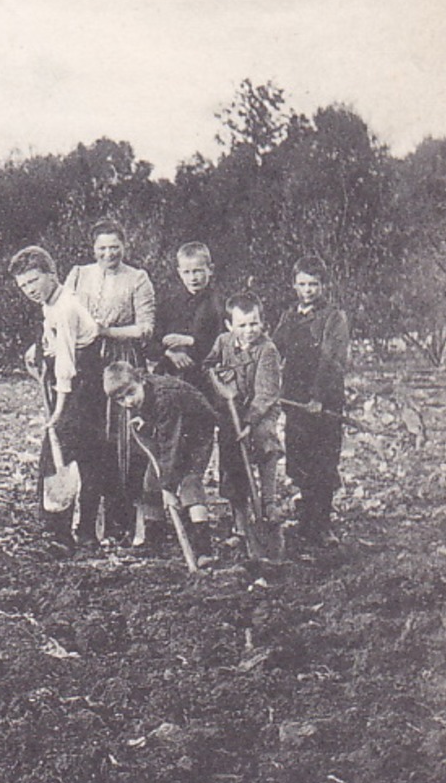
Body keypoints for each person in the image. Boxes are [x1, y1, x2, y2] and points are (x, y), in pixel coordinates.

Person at [64, 219, 155, 540]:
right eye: (102, 248)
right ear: (93, 249)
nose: (108, 254)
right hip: (87, 361)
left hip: (122, 361)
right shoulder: (78, 274)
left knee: (122, 440)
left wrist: (107, 331)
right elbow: (65, 315)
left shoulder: (137, 279)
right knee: (90, 436)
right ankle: (86, 520)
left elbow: (145, 328)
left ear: (124, 246)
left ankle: (123, 520)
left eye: (114, 247)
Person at [11, 245, 106, 553]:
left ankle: (62, 533)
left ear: (51, 275)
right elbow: (52, 339)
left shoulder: (65, 307)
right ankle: (77, 531)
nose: (29, 290)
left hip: (82, 384)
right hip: (70, 381)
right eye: (24, 285)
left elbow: (67, 366)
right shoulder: (51, 302)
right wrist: (38, 349)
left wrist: (58, 412)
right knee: (76, 455)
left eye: (34, 281)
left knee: (61, 455)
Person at [103, 361, 219, 563]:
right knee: (151, 482)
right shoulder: (145, 394)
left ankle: (203, 549)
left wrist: (168, 487)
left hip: (197, 434)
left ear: (140, 379)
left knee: (189, 481)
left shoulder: (165, 396)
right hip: (172, 432)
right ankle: (153, 543)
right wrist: (145, 420)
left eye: (130, 393)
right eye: (120, 400)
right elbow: (165, 433)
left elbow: (172, 446)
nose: (128, 402)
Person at [271, 255, 351, 549]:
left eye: (313, 284)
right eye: (302, 284)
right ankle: (307, 520)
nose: (307, 290)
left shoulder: (333, 317)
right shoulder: (290, 316)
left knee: (324, 461)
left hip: (324, 400)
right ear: (294, 285)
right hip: (294, 400)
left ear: (324, 285)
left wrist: (318, 397)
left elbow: (332, 360)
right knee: (300, 460)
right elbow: (273, 349)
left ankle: (323, 524)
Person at [204, 292, 284, 549]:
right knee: (232, 459)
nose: (249, 330)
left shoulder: (267, 350)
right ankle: (240, 521)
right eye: (242, 325)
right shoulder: (223, 342)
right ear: (230, 326)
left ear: (262, 322)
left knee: (264, 441)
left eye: (254, 323)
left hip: (261, 410)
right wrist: (219, 381)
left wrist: (250, 421)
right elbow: (209, 366)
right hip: (231, 412)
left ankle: (268, 503)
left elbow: (267, 393)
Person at [155, 241, 224, 384]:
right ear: (180, 272)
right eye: (187, 272)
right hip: (169, 373)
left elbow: (221, 342)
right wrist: (169, 353)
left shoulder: (218, 305)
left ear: (210, 270)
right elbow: (152, 342)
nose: (192, 278)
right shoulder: (169, 304)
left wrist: (190, 341)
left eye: (197, 271)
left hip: (204, 377)